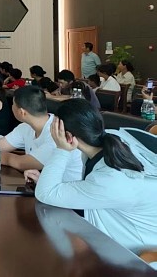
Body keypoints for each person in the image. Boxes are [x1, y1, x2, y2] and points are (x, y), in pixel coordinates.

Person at [28, 99, 157, 255]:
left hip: (139, 255)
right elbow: (93, 192)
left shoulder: (110, 177)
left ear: (67, 135)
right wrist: (49, 181)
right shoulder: (113, 142)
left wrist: (62, 149)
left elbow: (46, 193)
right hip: (113, 238)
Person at [0, 86, 83, 179]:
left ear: (22, 112)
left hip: (66, 198)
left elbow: (20, 162)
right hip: (41, 187)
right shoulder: (26, 127)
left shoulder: (57, 133)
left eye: (13, 104)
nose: (11, 107)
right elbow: (0, 144)